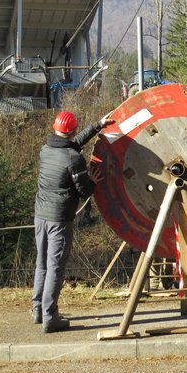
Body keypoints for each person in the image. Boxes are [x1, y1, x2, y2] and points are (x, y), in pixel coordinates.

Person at [31, 110, 114, 333]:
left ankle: (38, 309)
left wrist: (98, 125)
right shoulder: (73, 158)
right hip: (60, 218)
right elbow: (84, 190)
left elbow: (71, 145)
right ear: (73, 130)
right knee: (55, 267)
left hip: (41, 215)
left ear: (55, 128)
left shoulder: (46, 150)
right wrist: (93, 181)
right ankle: (51, 317)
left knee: (42, 263)